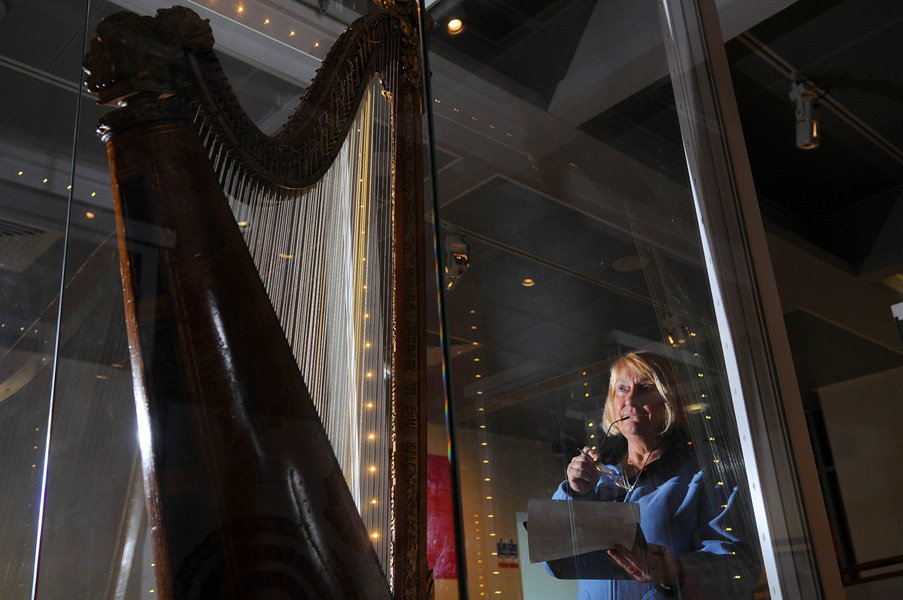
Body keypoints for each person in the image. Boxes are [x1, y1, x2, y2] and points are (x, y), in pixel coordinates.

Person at [552, 350, 759, 599]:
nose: (630, 399)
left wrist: (676, 572)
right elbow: (552, 557)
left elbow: (740, 567)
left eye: (646, 387)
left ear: (671, 399)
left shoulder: (708, 467)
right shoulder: (595, 473)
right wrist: (575, 493)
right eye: (622, 388)